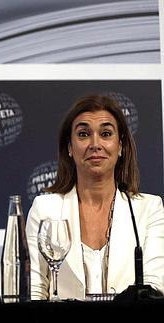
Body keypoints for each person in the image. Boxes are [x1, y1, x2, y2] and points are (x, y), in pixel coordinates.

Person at [26, 94, 164, 300]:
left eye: (106, 133)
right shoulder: (45, 208)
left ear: (121, 146)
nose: (95, 144)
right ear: (70, 148)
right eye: (83, 134)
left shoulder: (148, 209)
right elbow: (34, 291)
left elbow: (155, 287)